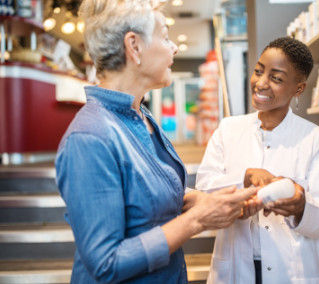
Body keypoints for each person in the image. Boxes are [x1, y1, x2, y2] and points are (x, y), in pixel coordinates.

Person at [55, 1, 257, 283]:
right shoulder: (89, 139)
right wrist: (196, 220)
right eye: (164, 36)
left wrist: (199, 200)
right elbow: (106, 264)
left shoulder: (140, 116)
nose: (173, 47)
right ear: (134, 46)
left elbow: (142, 193)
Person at [196, 37, 319, 284]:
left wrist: (300, 206)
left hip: (294, 272)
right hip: (234, 270)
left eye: (276, 78)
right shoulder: (228, 129)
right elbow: (203, 191)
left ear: (299, 88)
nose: (260, 83)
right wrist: (243, 179)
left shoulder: (317, 139)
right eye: (258, 71)